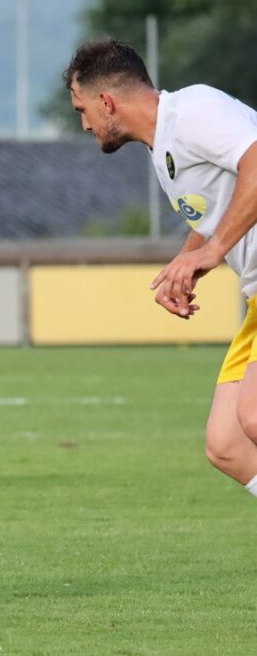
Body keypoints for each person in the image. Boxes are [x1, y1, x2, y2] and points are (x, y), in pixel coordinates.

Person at [64, 38, 257, 498]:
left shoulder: (192, 110)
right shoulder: (162, 149)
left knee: (253, 414)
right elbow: (216, 214)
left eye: (82, 110)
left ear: (106, 102)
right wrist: (187, 265)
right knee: (226, 444)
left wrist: (213, 251)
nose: (85, 124)